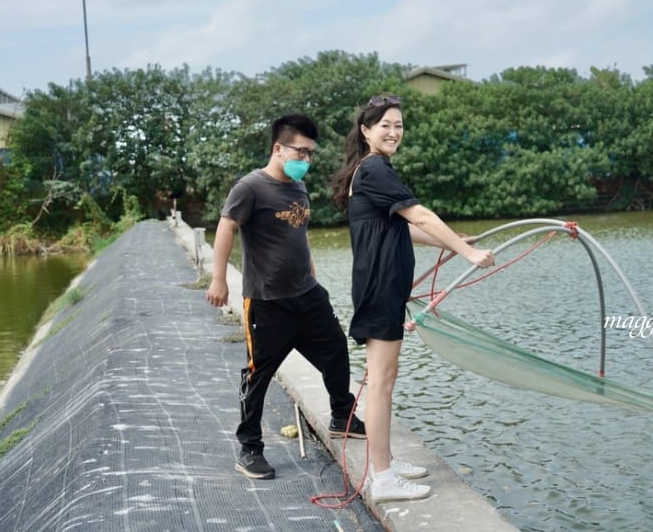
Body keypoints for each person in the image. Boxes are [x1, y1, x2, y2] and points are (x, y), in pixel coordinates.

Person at [330, 95, 495, 502]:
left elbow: (403, 227)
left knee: (385, 379)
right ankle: (383, 478)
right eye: (385, 125)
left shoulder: (373, 169)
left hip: (383, 287)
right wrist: (467, 253)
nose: (393, 132)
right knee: (381, 382)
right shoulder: (374, 168)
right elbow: (420, 214)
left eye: (399, 125)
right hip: (380, 288)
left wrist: (454, 242)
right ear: (366, 130)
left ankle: (384, 460)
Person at [206, 113, 365, 480]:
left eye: (310, 154)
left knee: (336, 350)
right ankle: (249, 448)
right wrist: (219, 279)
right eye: (300, 152)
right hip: (267, 303)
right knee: (257, 377)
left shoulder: (298, 187)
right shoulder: (250, 187)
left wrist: (312, 273)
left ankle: (342, 416)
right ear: (279, 148)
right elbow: (226, 226)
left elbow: (300, 232)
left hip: (307, 296)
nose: (306, 160)